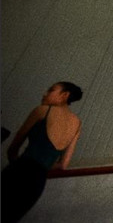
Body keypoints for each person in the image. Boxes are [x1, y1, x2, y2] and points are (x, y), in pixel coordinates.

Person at [2, 82, 83, 222]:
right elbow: (63, 165)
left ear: (65, 95)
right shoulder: (76, 123)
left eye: (51, 90)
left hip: (20, 170)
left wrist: (18, 164)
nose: (45, 93)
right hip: (38, 182)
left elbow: (13, 148)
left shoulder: (43, 111)